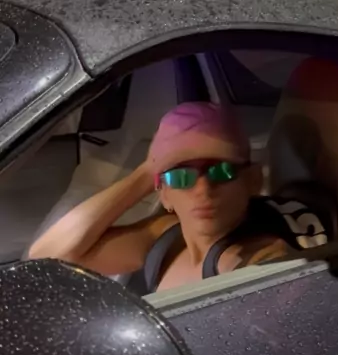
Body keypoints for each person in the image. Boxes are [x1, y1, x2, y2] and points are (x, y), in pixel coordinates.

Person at [28, 102, 295, 292]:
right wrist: (146, 173)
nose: (203, 189)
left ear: (252, 180)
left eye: (221, 171)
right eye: (181, 177)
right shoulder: (164, 235)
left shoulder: (259, 259)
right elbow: (47, 259)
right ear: (164, 193)